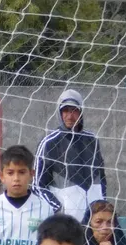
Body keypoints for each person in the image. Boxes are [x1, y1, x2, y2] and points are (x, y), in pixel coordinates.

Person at [34, 89, 106, 222]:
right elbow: (38, 186)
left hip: (94, 223)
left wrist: (102, 206)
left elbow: (101, 179)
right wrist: (58, 209)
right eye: (66, 110)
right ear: (59, 113)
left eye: (74, 110)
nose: (70, 116)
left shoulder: (92, 140)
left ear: (81, 112)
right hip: (65, 224)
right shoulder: (49, 143)